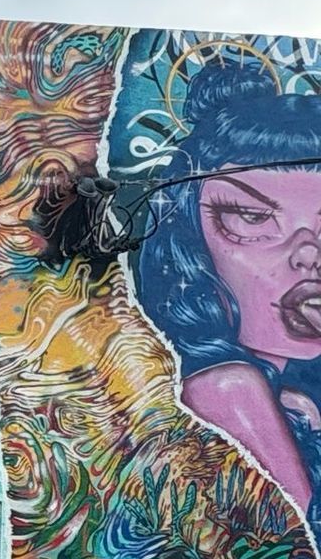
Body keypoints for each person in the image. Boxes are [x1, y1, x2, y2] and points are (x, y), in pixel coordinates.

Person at [137, 59, 321, 527]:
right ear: (192, 239)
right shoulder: (228, 389)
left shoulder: (289, 392)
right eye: (254, 219)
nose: (307, 256)